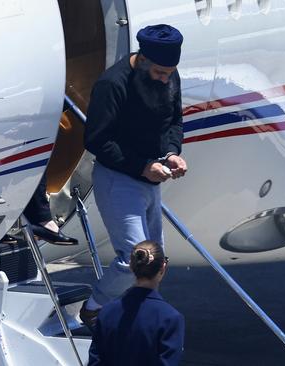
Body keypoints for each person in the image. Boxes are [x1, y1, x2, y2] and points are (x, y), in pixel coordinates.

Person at [80, 24, 187, 326]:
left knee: (156, 260)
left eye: (169, 73)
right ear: (141, 61)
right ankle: (94, 307)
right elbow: (96, 140)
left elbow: (173, 120)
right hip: (118, 179)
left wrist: (172, 153)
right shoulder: (113, 84)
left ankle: (135, 314)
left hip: (151, 179)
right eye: (159, 73)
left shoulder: (167, 73)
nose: (165, 79)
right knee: (133, 260)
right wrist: (142, 166)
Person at [88, 240, 185, 366]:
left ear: (132, 267)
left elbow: (96, 361)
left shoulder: (106, 312)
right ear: (163, 268)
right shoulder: (171, 318)